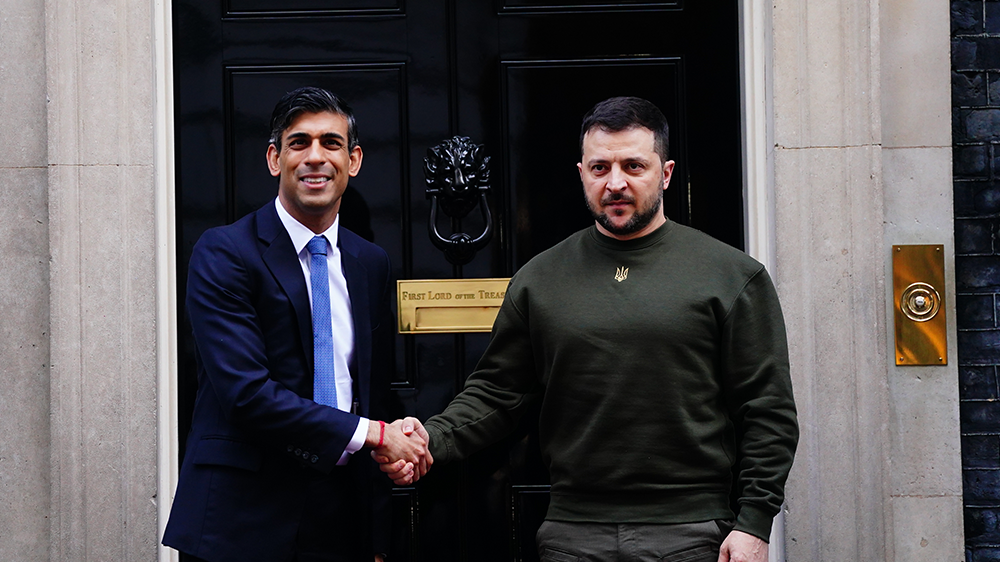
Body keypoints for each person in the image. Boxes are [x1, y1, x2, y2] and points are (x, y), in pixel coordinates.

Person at [378, 97, 798, 562]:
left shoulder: (732, 275)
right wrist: (430, 439)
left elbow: (768, 411)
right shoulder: (540, 279)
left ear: (666, 173)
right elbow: (498, 392)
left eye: (634, 166)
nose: (615, 183)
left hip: (690, 532)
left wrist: (754, 523)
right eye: (600, 168)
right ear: (582, 174)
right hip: (573, 534)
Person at [162, 87, 429, 562]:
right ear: (273, 158)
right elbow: (246, 393)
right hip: (244, 520)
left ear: (354, 160)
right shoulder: (224, 252)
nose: (315, 157)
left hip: (344, 515)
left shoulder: (371, 263)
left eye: (331, 143)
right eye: (298, 142)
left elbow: (367, 389)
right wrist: (374, 433)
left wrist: (397, 433)